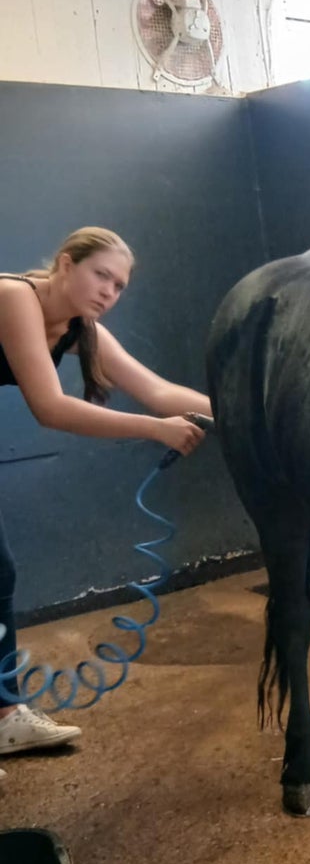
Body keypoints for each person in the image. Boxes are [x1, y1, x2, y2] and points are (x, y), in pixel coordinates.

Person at [0, 227, 210, 773]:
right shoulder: (13, 296)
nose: (108, 292)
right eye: (102, 276)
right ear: (66, 264)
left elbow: (159, 392)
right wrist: (155, 430)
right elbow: (50, 407)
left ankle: (4, 717)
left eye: (118, 286)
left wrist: (247, 411)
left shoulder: (80, 328)